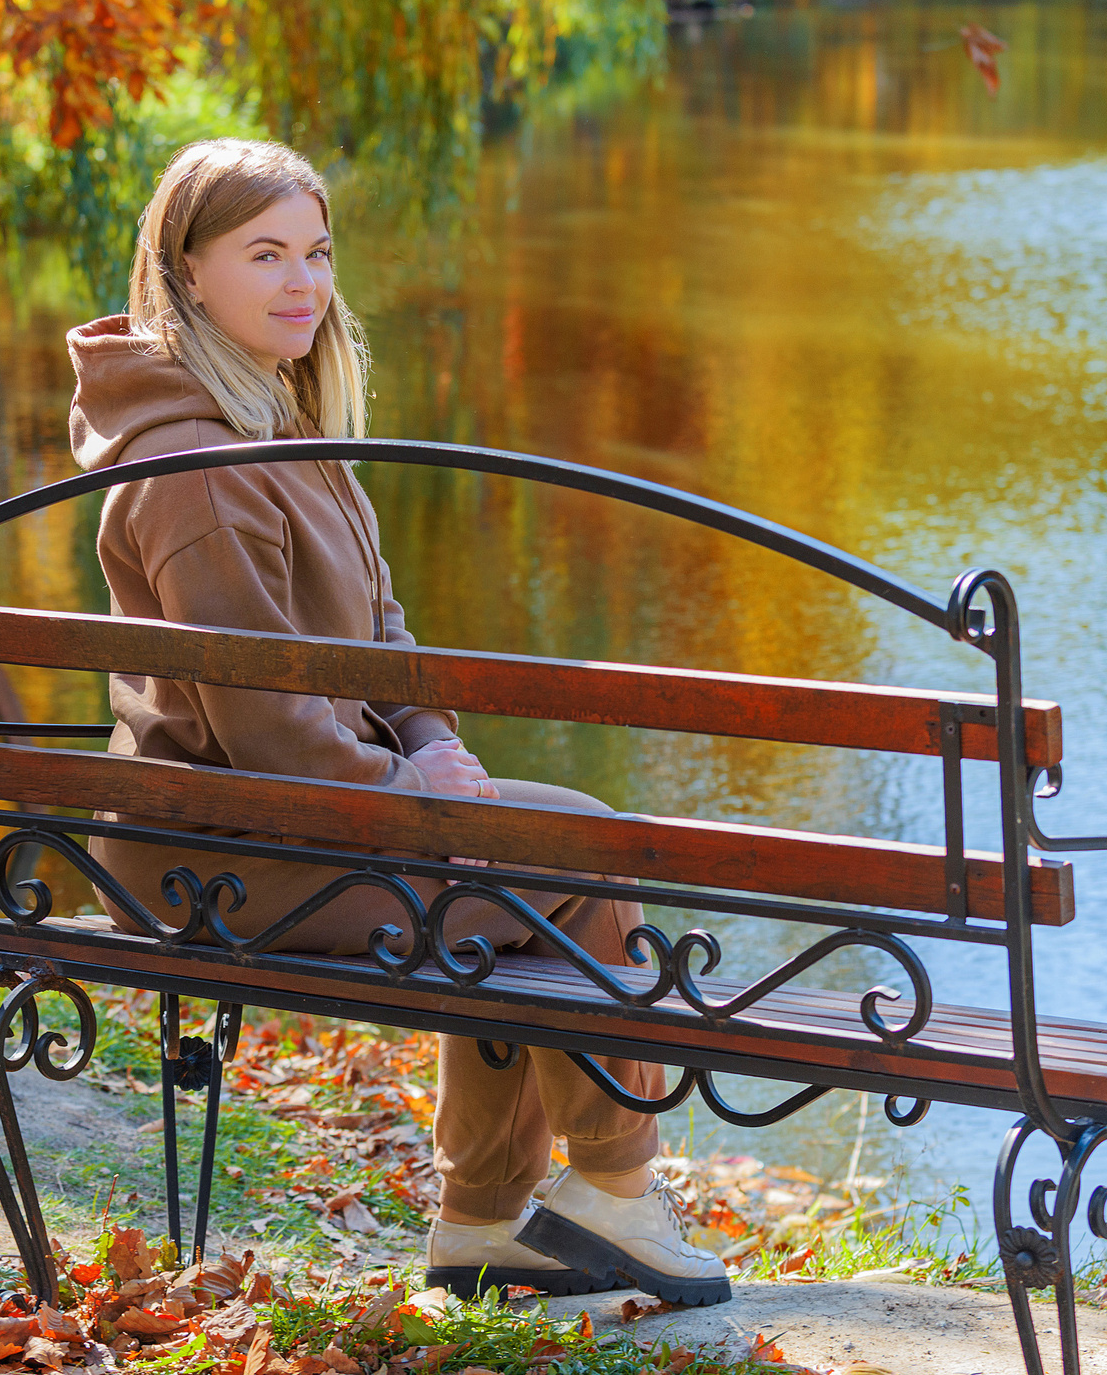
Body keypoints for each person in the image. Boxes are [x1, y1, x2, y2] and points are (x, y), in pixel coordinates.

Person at [65, 137, 728, 1306]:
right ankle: (606, 1190)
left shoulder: (277, 425)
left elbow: (380, 626)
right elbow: (266, 724)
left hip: (284, 819)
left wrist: (427, 740)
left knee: (554, 856)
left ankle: (487, 1217)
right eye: (265, 254)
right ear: (186, 271)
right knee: (574, 860)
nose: (304, 283)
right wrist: (412, 795)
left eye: (316, 253)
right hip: (219, 853)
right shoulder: (196, 466)